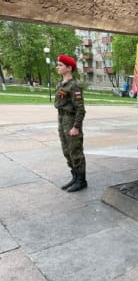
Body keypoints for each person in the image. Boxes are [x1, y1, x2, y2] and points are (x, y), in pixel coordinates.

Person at [55, 54, 88, 192]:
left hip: (70, 120)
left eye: (60, 65)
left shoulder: (74, 86)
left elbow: (81, 109)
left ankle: (81, 181)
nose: (57, 67)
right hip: (62, 119)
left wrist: (76, 127)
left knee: (75, 151)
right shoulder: (61, 84)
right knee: (66, 151)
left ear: (69, 68)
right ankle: (74, 177)